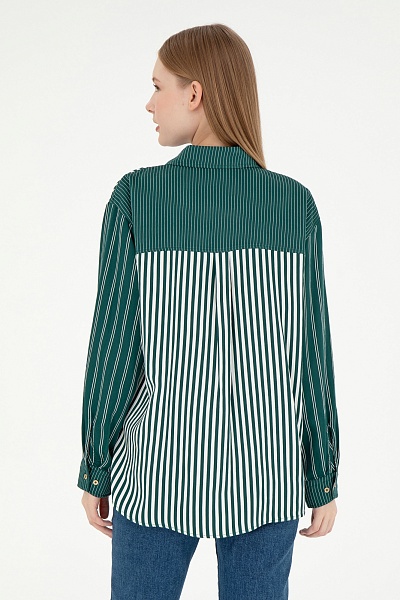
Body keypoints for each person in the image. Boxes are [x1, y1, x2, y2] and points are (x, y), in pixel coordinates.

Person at [77, 23, 340, 600]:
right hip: (268, 475)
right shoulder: (294, 205)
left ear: (194, 93)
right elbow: (313, 353)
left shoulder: (137, 198)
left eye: (158, 86)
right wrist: (322, 474)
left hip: (154, 471)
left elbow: (115, 345)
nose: (149, 103)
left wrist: (95, 465)